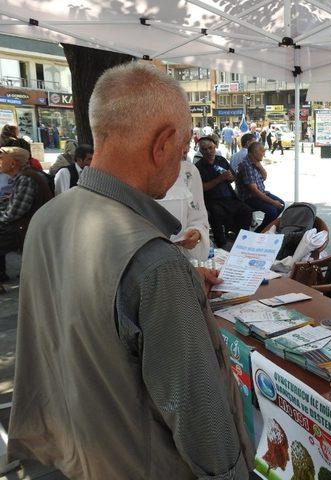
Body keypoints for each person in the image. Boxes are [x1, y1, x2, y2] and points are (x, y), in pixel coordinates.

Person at [8, 63, 253, 479]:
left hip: (72, 453)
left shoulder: (50, 217)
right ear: (163, 145)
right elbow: (201, 423)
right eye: (180, 153)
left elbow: (86, 318)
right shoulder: (156, 265)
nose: (179, 165)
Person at [0, 146, 52, 281]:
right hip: (24, 225)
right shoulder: (24, 176)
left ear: (13, 163)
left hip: (27, 228)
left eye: (1, 159)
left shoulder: (26, 179)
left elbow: (14, 212)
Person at [195, 136, 253, 247]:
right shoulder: (198, 167)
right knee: (216, 214)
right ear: (201, 151)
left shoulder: (221, 160)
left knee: (246, 210)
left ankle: (242, 239)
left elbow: (232, 177)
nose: (208, 151)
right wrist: (219, 179)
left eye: (210, 148)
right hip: (212, 200)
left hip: (229, 197)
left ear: (215, 147)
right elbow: (201, 187)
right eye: (205, 149)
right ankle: (221, 244)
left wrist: (230, 177)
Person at [156, 159, 210, 262]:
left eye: (187, 143)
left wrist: (196, 233)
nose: (185, 149)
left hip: (180, 259)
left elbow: (199, 217)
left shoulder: (189, 171)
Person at [236, 141, 285, 231]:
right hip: (250, 197)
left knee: (281, 204)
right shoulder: (247, 166)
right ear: (254, 153)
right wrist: (273, 202)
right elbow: (255, 191)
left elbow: (264, 177)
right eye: (262, 151)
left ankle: (263, 229)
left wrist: (259, 166)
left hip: (260, 193)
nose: (264, 153)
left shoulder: (255, 162)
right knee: (273, 210)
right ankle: (261, 230)